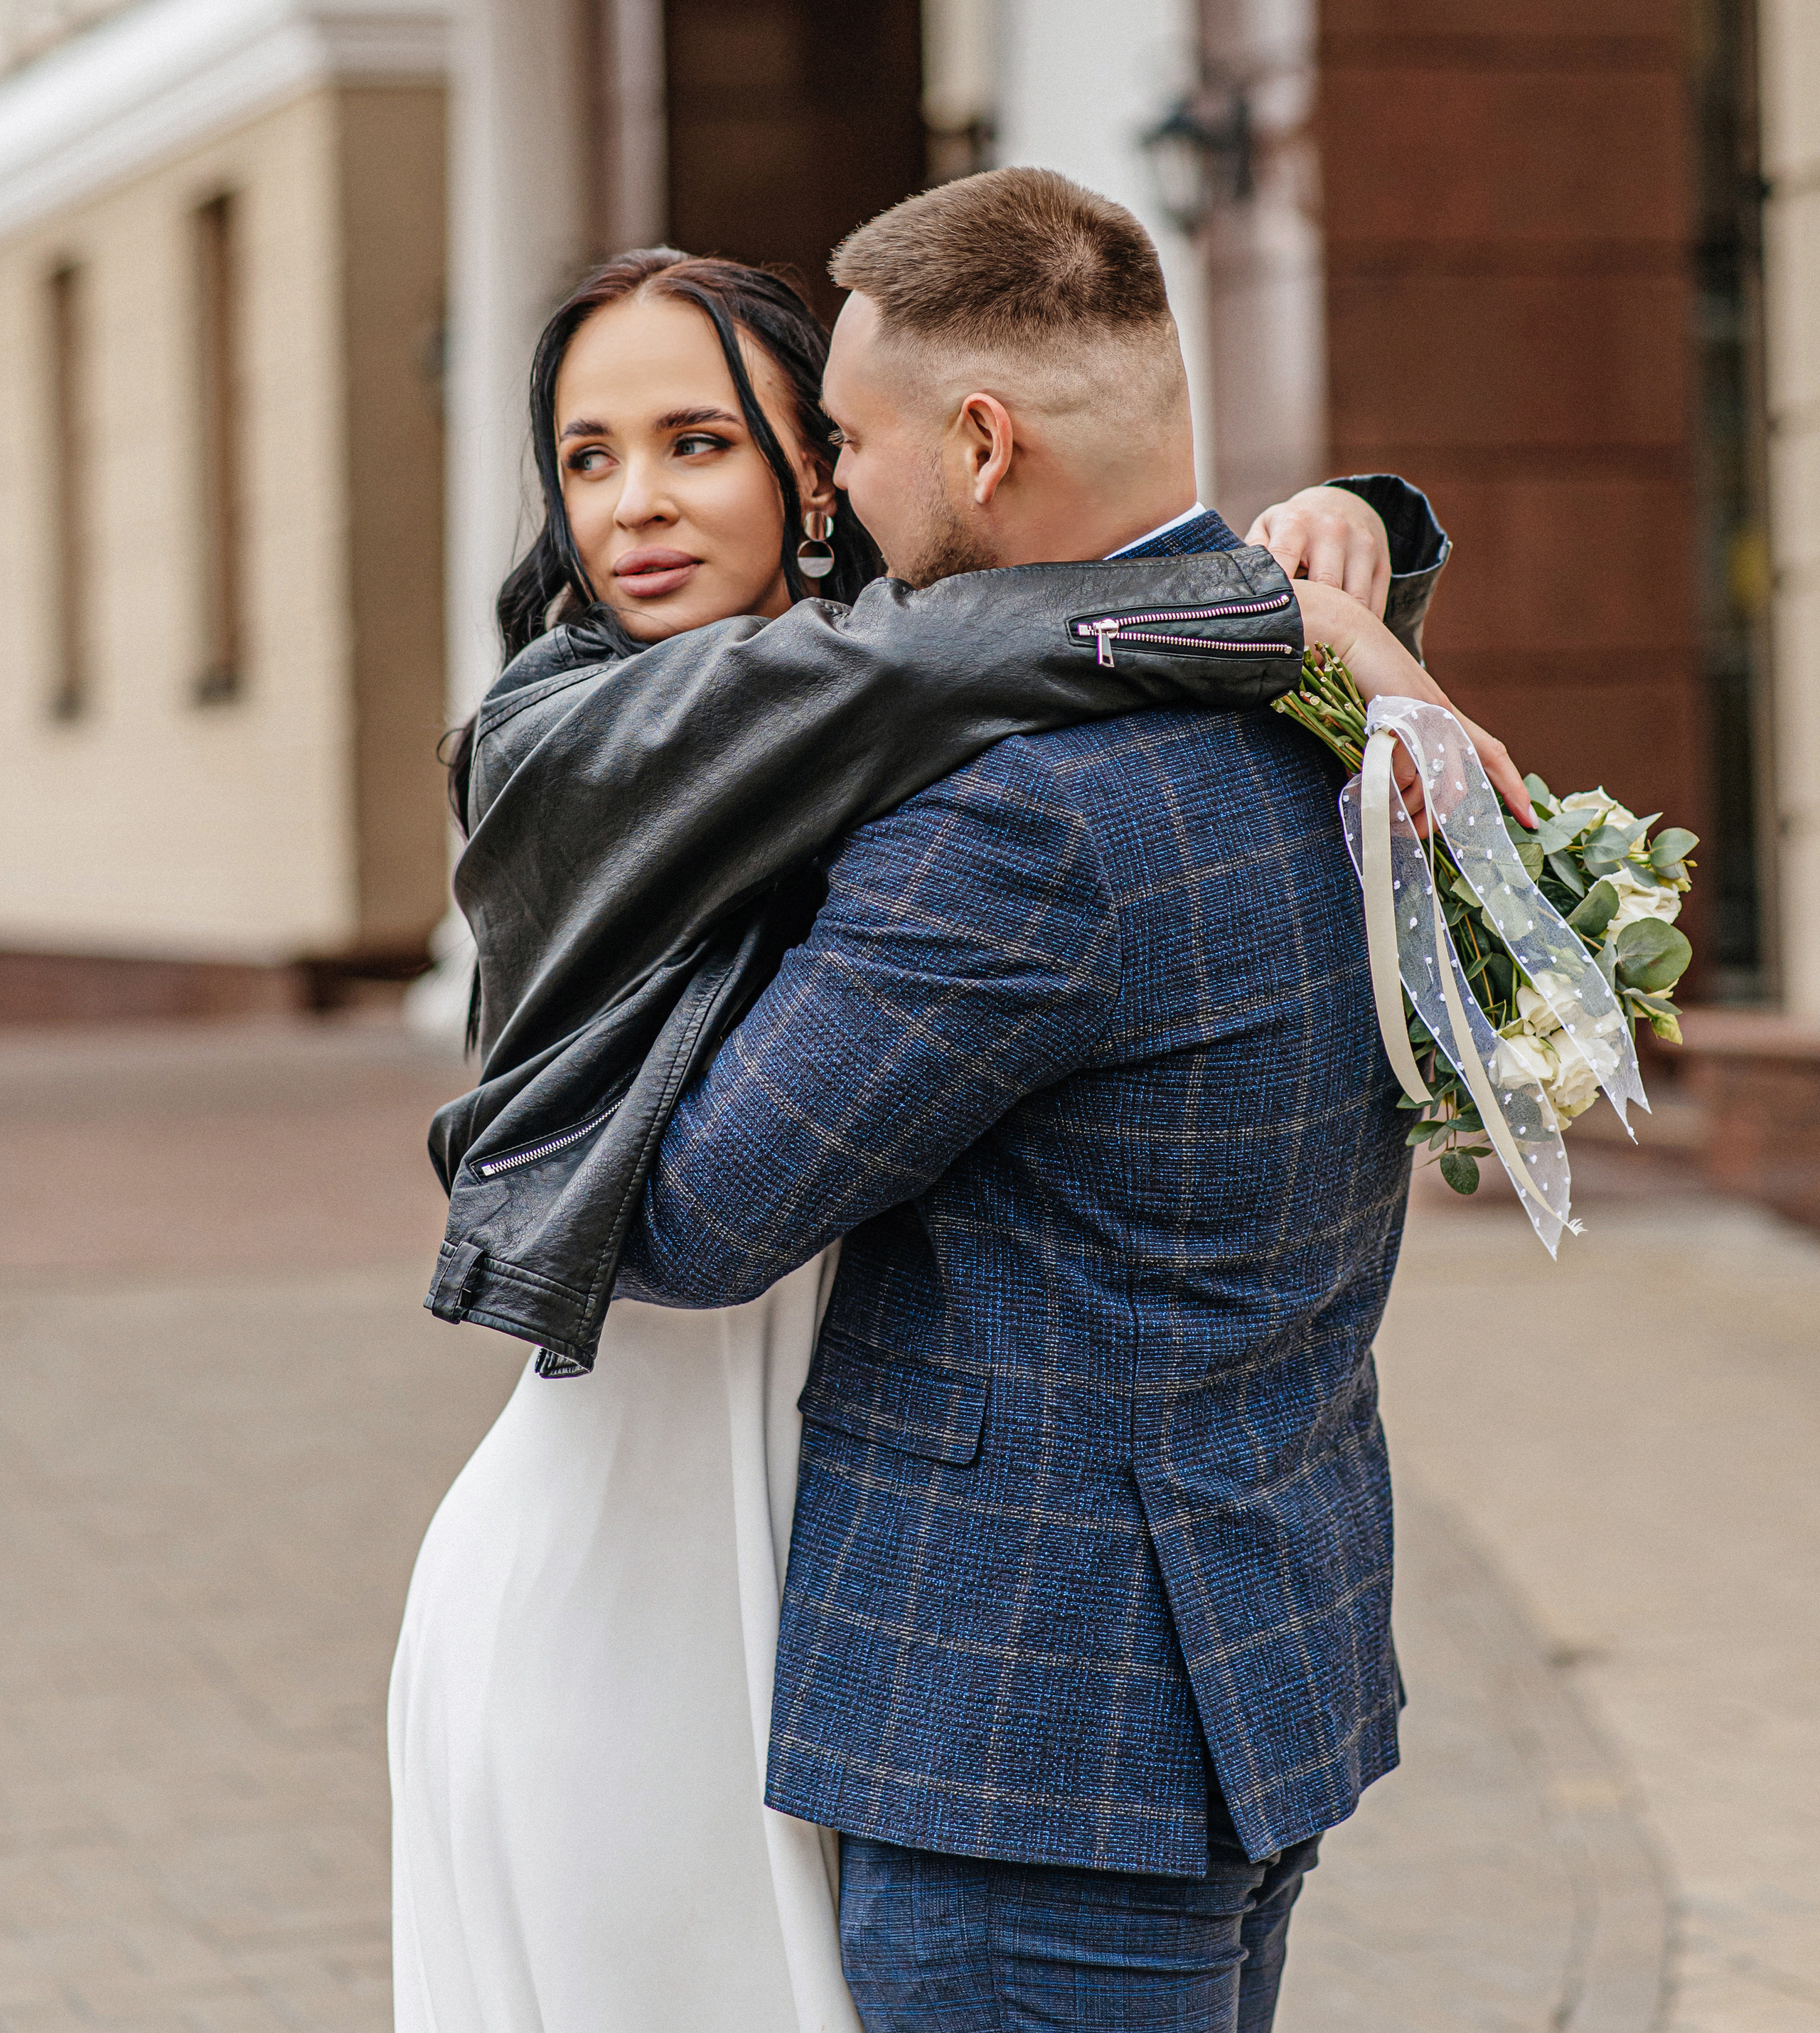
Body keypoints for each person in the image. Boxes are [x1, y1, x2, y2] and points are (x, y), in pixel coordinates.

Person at [390, 209, 1513, 2032]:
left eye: (728, 440)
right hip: (701, 1566)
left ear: (868, 472)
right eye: (584, 456)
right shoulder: (579, 722)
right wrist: (1283, 594)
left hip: (996, 1698)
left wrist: (1341, 544)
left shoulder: (1026, 788)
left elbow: (721, 1193)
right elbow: (907, 673)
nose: (635, 504)